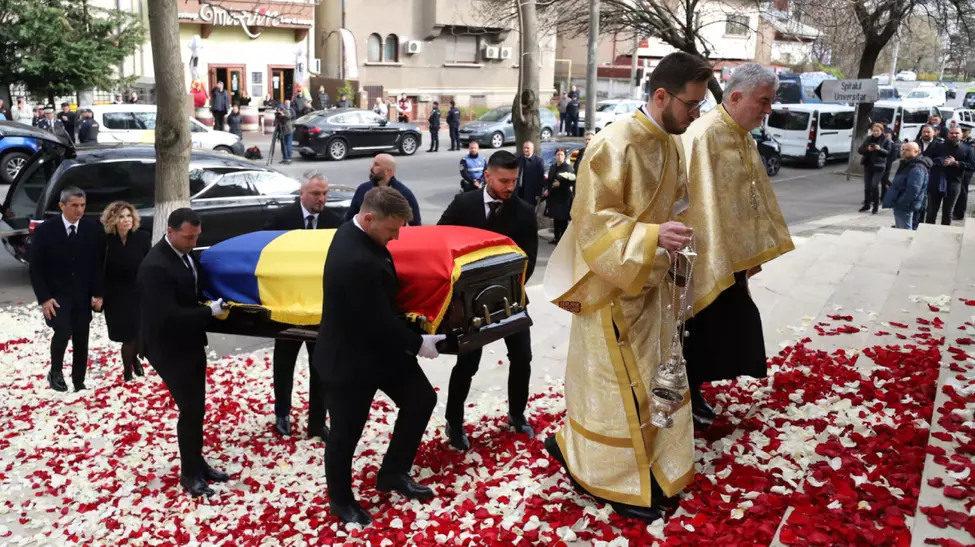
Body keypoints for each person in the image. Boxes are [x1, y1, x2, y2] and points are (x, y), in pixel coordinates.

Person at [541, 50, 706, 523]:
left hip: (649, 282)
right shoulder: (613, 145)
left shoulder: (672, 140)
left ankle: (648, 468)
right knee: (617, 390)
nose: (695, 116)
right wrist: (654, 236)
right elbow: (592, 224)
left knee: (652, 382)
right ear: (661, 96)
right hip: (611, 289)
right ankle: (609, 478)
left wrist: (675, 242)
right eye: (690, 105)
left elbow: (677, 202)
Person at [315, 186, 444, 525]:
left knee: (420, 400)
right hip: (349, 359)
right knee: (345, 433)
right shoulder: (356, 261)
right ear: (369, 218)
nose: (398, 236)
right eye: (392, 229)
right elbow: (377, 322)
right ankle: (341, 502)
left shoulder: (357, 232)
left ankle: (393, 473)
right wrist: (420, 344)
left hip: (379, 350)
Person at [681, 63, 794, 428]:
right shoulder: (702, 134)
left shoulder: (742, 134)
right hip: (700, 254)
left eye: (770, 102)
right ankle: (686, 391)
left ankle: (696, 385)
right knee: (697, 327)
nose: (767, 110)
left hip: (731, 254)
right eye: (763, 101)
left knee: (725, 323)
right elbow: (687, 201)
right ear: (735, 96)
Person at [438, 151, 539, 451]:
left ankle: (517, 415)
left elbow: (529, 260)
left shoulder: (524, 211)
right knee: (467, 363)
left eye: (514, 180)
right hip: (469, 304)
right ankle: (453, 423)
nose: (510, 186)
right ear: (487, 176)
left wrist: (508, 288)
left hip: (512, 299)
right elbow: (440, 242)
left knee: (522, 358)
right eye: (504, 180)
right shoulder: (463, 204)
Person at [138, 208, 230, 498]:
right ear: (170, 232)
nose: (193, 243)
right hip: (167, 346)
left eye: (196, 237)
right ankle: (189, 475)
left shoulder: (185, 253)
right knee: (190, 410)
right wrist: (208, 312)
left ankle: (197, 463)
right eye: (188, 237)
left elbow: (191, 291)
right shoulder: (156, 266)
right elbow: (169, 315)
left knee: (197, 408)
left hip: (188, 341)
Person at [264, 175, 342, 439]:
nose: (322, 198)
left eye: (325, 193)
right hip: (286, 304)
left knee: (320, 365)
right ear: (303, 194)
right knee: (283, 361)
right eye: (317, 193)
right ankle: (282, 413)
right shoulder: (281, 220)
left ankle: (317, 421)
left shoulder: (334, 223)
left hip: (319, 308)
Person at [29, 187, 104, 392]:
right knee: (62, 330)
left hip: (82, 294)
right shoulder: (45, 231)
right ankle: (55, 371)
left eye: (82, 205)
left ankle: (79, 381)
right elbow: (36, 267)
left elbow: (97, 264)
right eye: (74, 205)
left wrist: (98, 293)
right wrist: (44, 298)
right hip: (56, 294)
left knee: (82, 336)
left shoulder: (91, 229)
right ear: (62, 205)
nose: (79, 210)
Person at [100, 201, 151, 381]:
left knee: (137, 333)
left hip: (138, 293)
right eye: (121, 217)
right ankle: (129, 370)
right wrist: (98, 295)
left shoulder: (143, 238)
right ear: (113, 220)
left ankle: (131, 365)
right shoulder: (104, 241)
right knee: (127, 336)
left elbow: (149, 266)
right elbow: (98, 270)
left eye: (129, 216)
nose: (126, 220)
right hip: (115, 296)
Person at [345, 154, 422, 225]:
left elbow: (416, 226)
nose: (371, 168)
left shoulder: (404, 194)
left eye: (376, 165)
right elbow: (349, 219)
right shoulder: (363, 189)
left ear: (388, 171)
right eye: (373, 163)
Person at [925, 126, 975, 225]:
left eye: (957, 133)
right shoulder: (938, 146)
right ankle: (928, 232)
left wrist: (956, 163)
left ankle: (945, 232)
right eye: (951, 133)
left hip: (954, 183)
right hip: (937, 181)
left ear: (962, 135)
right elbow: (926, 158)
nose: (954, 135)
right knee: (931, 210)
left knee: (948, 211)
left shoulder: (968, 149)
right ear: (948, 134)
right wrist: (939, 162)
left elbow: (972, 166)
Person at [883, 141, 931, 230]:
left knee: (904, 229)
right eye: (903, 149)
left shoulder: (917, 168)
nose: (904, 152)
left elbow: (913, 190)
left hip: (905, 205)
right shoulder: (907, 162)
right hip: (900, 202)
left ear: (917, 151)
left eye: (908, 150)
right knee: (900, 228)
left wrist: (901, 203)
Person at [857, 123, 892, 214]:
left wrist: (879, 149)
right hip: (868, 165)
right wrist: (868, 149)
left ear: (881, 131)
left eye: (877, 131)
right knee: (867, 186)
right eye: (874, 131)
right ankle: (867, 204)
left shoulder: (886, 140)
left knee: (874, 185)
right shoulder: (869, 138)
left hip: (879, 166)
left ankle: (875, 206)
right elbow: (860, 150)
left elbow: (888, 152)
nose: (875, 133)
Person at [543, 148, 575, 244]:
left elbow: (572, 181)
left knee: (563, 218)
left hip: (564, 196)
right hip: (554, 196)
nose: (559, 156)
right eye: (558, 154)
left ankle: (562, 239)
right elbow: (549, 180)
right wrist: (547, 189)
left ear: (564, 156)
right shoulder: (553, 167)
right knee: (556, 218)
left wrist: (560, 184)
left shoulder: (568, 167)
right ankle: (556, 237)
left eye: (561, 154)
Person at [953, 122, 975, 221]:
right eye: (961, 130)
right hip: (955, 168)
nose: (962, 132)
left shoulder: (972, 143)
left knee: (962, 191)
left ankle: (959, 213)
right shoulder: (956, 140)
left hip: (966, 170)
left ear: (969, 132)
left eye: (964, 131)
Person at [516, 140, 546, 205]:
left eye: (528, 148)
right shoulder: (519, 159)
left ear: (532, 149)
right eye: (524, 148)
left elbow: (540, 179)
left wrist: (538, 194)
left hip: (530, 193)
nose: (526, 150)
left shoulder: (538, 161)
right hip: (519, 191)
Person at [881, 125, 900, 199]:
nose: (886, 137)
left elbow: (893, 158)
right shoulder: (882, 143)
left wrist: (886, 162)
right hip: (880, 165)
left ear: (891, 136)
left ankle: (884, 196)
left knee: (884, 181)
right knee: (882, 181)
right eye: (884, 135)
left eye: (887, 135)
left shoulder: (894, 145)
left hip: (887, 166)